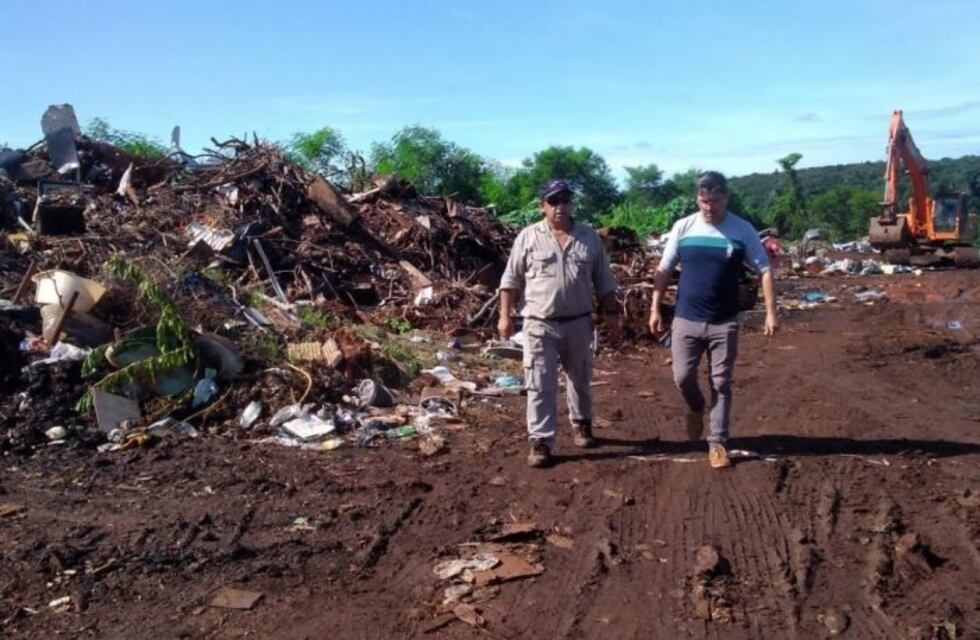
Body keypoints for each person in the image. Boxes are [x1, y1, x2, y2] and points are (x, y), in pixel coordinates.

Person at [648, 171, 777, 469]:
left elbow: (764, 270)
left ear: (725, 198)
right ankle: (695, 406)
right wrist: (655, 308)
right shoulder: (683, 227)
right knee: (682, 377)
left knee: (720, 382)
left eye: (715, 201)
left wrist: (771, 311)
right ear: (698, 199)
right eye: (704, 201)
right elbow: (664, 270)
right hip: (686, 320)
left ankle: (717, 442)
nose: (709, 207)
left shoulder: (741, 229)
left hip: (723, 321)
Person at [498, 180, 622, 467]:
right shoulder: (528, 238)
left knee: (580, 379)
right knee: (540, 383)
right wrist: (505, 317)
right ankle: (540, 440)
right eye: (553, 201)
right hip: (539, 324)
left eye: (565, 200)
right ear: (542, 205)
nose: (560, 207)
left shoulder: (589, 238)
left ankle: (581, 423)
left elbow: (604, 282)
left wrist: (612, 315)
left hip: (578, 323)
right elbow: (510, 280)